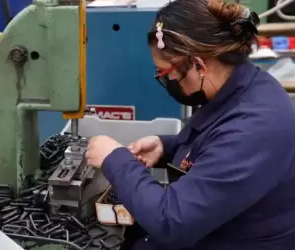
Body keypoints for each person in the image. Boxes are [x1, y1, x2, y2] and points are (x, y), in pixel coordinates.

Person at [85, 0, 295, 249]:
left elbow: (171, 223)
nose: (168, 80)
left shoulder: (256, 126)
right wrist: (166, 147)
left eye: (167, 73)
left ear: (198, 64)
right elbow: (213, 141)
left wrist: (115, 160)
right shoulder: (236, 88)